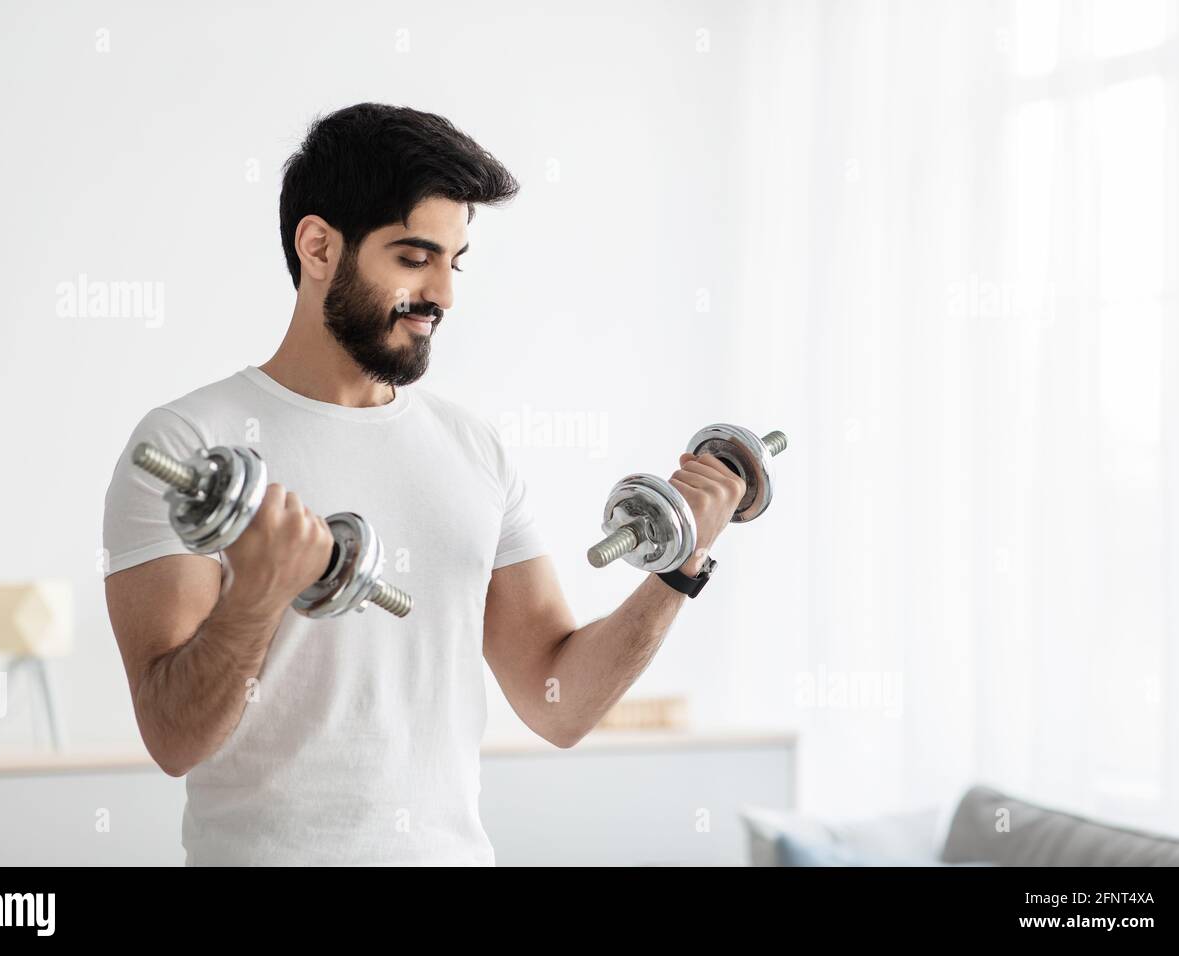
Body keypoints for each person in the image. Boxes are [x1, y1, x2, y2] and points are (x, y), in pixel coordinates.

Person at [102, 102, 746, 866]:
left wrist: (679, 569)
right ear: (318, 247)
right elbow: (173, 738)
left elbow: (560, 705)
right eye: (413, 258)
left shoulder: (472, 450)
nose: (443, 294)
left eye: (455, 261)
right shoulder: (187, 444)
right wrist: (256, 595)